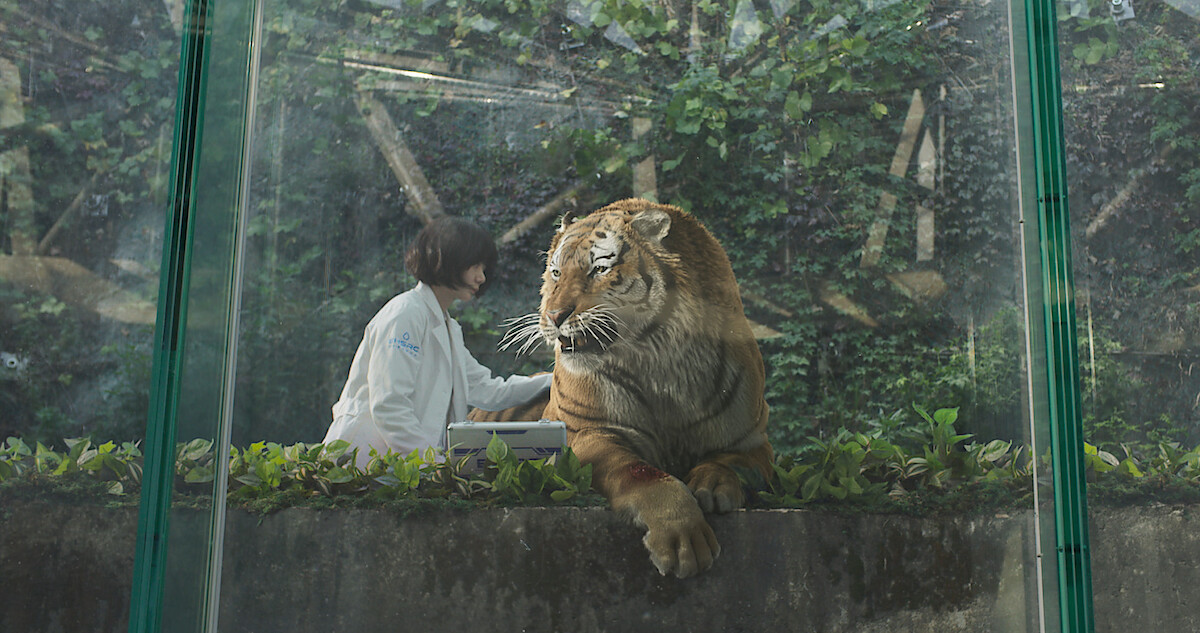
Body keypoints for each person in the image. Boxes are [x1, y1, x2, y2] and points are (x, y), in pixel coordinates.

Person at [323, 216, 551, 466]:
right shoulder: (405, 314)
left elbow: (489, 390)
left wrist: (555, 378)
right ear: (448, 260)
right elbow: (389, 406)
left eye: (484, 268)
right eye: (475, 266)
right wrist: (433, 465)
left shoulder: (447, 327)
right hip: (362, 462)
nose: (482, 278)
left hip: (404, 468)